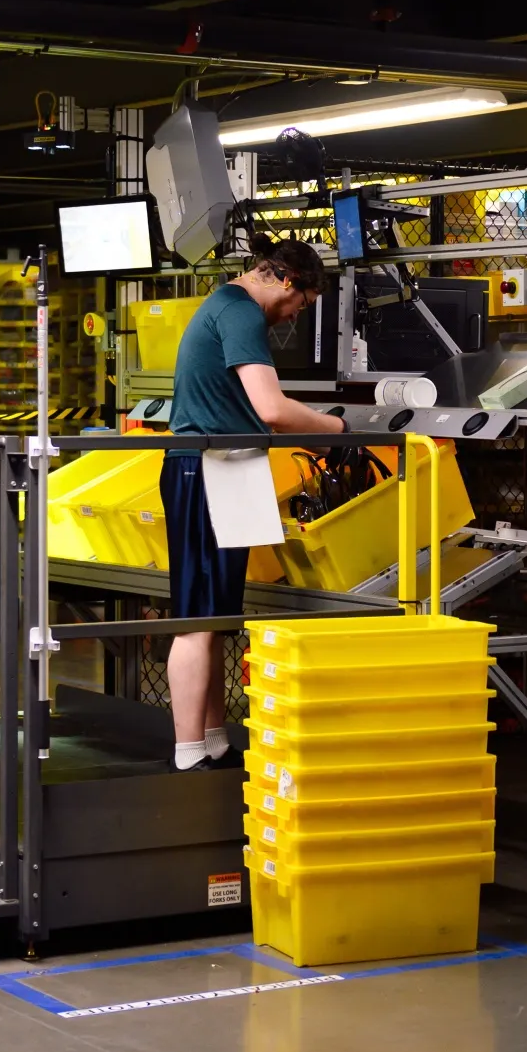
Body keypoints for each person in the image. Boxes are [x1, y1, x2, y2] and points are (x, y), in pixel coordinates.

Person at [161, 234, 345, 770]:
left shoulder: (227, 305)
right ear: (287, 282)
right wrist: (337, 429)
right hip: (207, 469)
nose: (293, 316)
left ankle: (212, 739)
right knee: (196, 616)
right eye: (301, 304)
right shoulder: (240, 312)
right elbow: (271, 408)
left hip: (231, 466)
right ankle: (188, 751)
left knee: (216, 614)